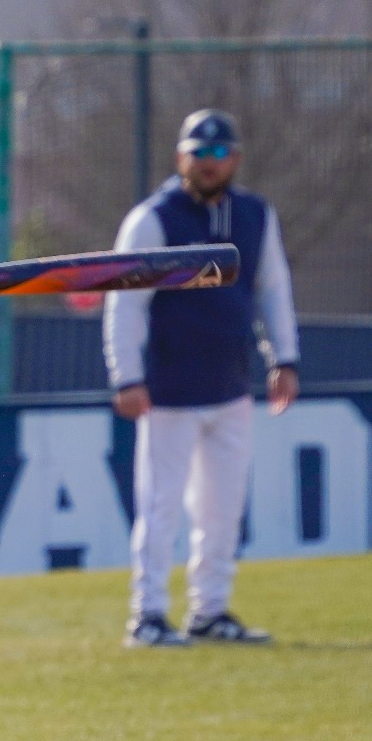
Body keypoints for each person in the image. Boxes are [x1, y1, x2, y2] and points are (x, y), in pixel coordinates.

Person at [104, 109, 300, 648]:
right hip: (168, 389)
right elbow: (126, 304)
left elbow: (273, 289)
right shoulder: (154, 218)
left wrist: (284, 358)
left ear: (235, 159)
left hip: (230, 385)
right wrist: (127, 376)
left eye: (219, 154)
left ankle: (210, 610)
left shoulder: (256, 215)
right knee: (161, 505)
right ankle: (147, 615)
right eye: (199, 153)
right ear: (180, 158)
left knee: (223, 509)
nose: (209, 163)